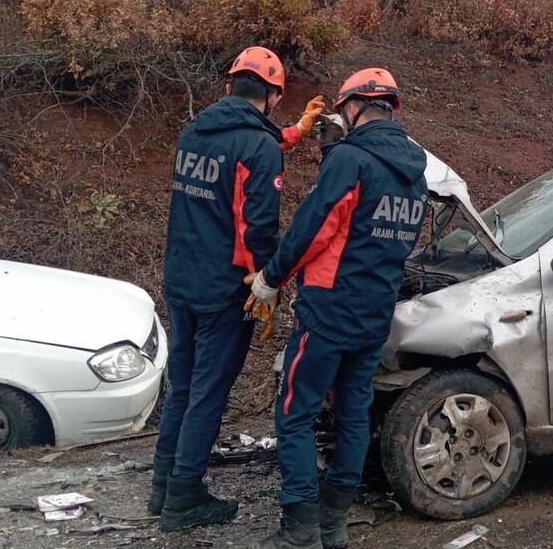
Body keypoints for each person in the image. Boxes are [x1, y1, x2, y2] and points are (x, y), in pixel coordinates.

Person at [246, 68, 428, 549]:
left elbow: (315, 227)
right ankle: (334, 524)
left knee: (295, 413)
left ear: (353, 106)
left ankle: (300, 529)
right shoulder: (416, 172)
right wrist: (334, 156)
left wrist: (270, 278)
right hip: (375, 313)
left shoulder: (351, 159)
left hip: (328, 312)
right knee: (352, 414)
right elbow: (368, 224)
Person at [150, 47, 312, 531]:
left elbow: (242, 154)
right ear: (273, 96)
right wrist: (268, 283)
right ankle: (184, 499)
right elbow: (257, 227)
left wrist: (296, 133)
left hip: (181, 279)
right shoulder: (257, 147)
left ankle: (163, 487)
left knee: (182, 386)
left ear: (229, 87)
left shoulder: (195, 131)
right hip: (225, 288)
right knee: (208, 393)